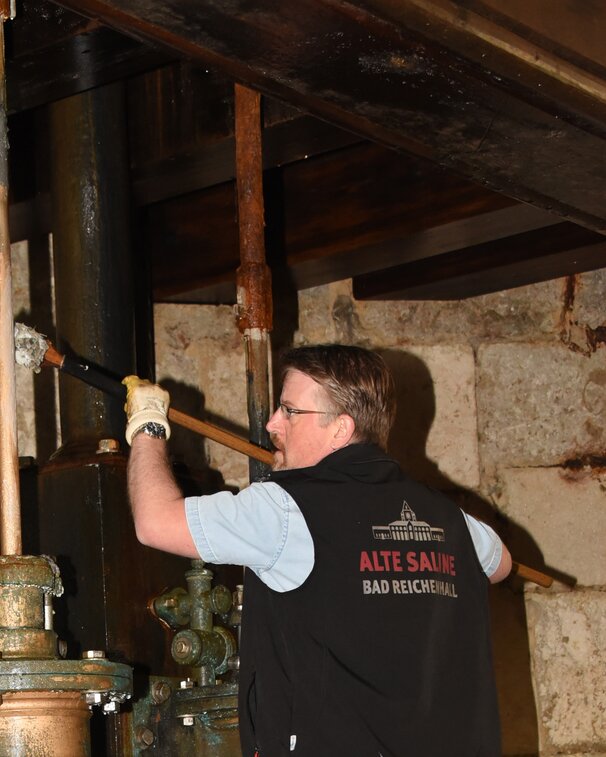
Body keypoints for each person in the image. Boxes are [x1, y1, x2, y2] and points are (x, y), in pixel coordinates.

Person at [124, 344, 512, 757]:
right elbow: (500, 564)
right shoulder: (450, 518)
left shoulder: (285, 510)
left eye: (290, 411)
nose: (274, 423)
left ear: (340, 429)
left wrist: (147, 426)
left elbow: (154, 522)